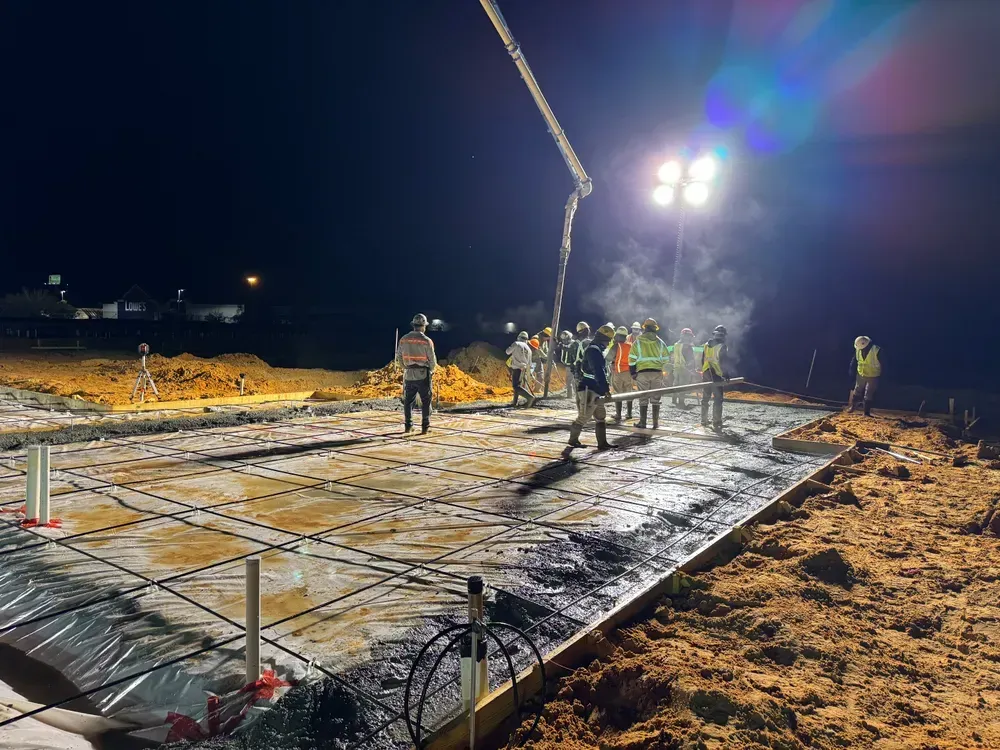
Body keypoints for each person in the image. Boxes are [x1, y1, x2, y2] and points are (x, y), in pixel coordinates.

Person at [568, 324, 615, 450]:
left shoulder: (596, 349)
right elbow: (598, 371)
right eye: (608, 341)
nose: (608, 344)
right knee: (584, 416)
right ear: (605, 340)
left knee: (601, 417)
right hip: (589, 389)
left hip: (596, 389)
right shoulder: (594, 350)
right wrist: (606, 389)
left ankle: (602, 443)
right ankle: (573, 440)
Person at [396, 313, 437, 434]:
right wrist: (430, 370)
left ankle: (408, 426)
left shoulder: (403, 339)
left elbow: (399, 357)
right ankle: (425, 427)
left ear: (413, 325)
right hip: (422, 374)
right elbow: (432, 360)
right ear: (424, 326)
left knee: (408, 401)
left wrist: (406, 367)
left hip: (409, 374)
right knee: (426, 400)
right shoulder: (427, 341)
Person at [628, 318, 669, 429]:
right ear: (655, 329)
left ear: (644, 328)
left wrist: (633, 373)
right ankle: (655, 424)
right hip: (657, 373)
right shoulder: (660, 342)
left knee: (643, 398)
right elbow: (666, 359)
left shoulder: (638, 342)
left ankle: (643, 422)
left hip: (642, 374)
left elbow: (631, 359)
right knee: (656, 399)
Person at [700, 325, 729, 431]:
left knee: (705, 398)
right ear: (723, 336)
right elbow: (723, 362)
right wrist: (726, 374)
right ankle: (716, 422)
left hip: (706, 373)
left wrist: (703, 371)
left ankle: (704, 420)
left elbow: (703, 359)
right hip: (716, 375)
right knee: (718, 399)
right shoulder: (722, 346)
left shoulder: (706, 345)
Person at [850, 335, 881, 416]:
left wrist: (884, 375)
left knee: (869, 393)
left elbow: (884, 363)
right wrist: (851, 369)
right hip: (861, 373)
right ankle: (853, 407)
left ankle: (866, 412)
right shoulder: (858, 349)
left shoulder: (876, 350)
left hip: (873, 375)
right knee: (857, 389)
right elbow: (854, 359)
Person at [609, 326, 634, 422]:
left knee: (617, 393)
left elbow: (608, 358)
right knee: (629, 393)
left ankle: (618, 414)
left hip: (618, 372)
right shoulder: (630, 345)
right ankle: (629, 414)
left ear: (617, 336)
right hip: (628, 372)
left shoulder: (616, 346)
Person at [506, 331, 536, 407]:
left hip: (517, 368)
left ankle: (530, 397)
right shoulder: (529, 349)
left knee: (516, 386)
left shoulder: (516, 344)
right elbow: (529, 363)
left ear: (519, 337)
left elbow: (507, 352)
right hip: (523, 369)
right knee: (517, 385)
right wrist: (530, 374)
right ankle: (514, 402)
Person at [671, 328, 698, 408]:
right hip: (684, 369)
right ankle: (681, 402)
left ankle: (674, 399)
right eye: (689, 336)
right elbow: (690, 359)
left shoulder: (676, 344)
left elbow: (674, 357)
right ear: (685, 336)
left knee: (676, 384)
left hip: (676, 368)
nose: (690, 338)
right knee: (682, 386)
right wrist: (692, 369)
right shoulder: (687, 347)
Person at [556, 330, 576, 398]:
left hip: (572, 365)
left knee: (569, 381)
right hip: (567, 364)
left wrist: (562, 347)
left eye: (565, 339)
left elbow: (570, 350)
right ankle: (576, 395)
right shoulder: (564, 343)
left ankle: (569, 396)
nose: (564, 341)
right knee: (572, 380)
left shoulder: (573, 343)